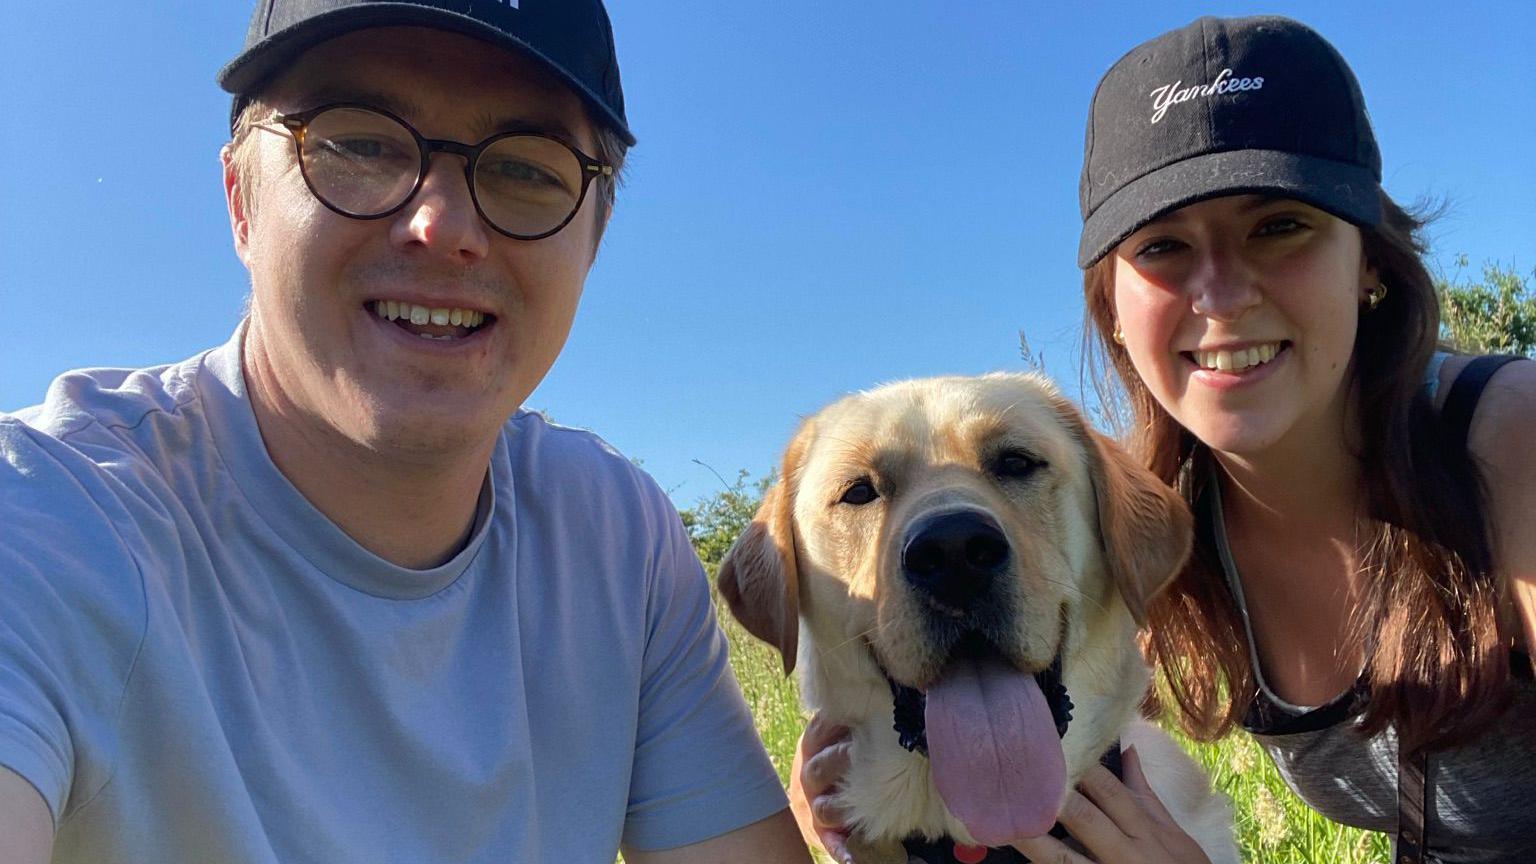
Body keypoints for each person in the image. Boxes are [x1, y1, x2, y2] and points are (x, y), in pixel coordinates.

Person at [0, 2, 811, 862]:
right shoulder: (52, 521)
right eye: (357, 144)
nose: (443, 227)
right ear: (241, 201)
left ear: (594, 240)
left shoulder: (615, 543)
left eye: (526, 171)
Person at [794, 15, 1536, 864]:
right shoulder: (1143, 519)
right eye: (1164, 247)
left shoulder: (1512, 443)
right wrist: (840, 779)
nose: (1220, 294)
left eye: (1280, 224)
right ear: (1112, 300)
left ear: (1370, 256)